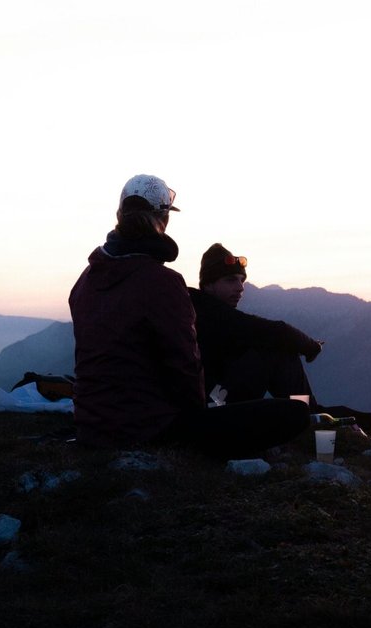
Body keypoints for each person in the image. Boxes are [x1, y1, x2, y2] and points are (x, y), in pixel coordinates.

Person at [68, 176, 308, 458]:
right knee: (295, 414)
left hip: (91, 427)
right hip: (149, 428)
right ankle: (313, 420)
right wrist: (201, 419)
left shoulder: (84, 282)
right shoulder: (162, 282)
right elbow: (184, 365)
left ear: (119, 216)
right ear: (164, 219)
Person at [189, 243, 371, 432]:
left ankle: (310, 414)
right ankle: (309, 415)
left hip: (214, 400)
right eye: (231, 280)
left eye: (242, 281)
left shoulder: (202, 309)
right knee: (276, 348)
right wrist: (311, 347)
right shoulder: (209, 312)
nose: (240, 288)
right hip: (212, 405)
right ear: (208, 285)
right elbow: (279, 331)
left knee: (274, 346)